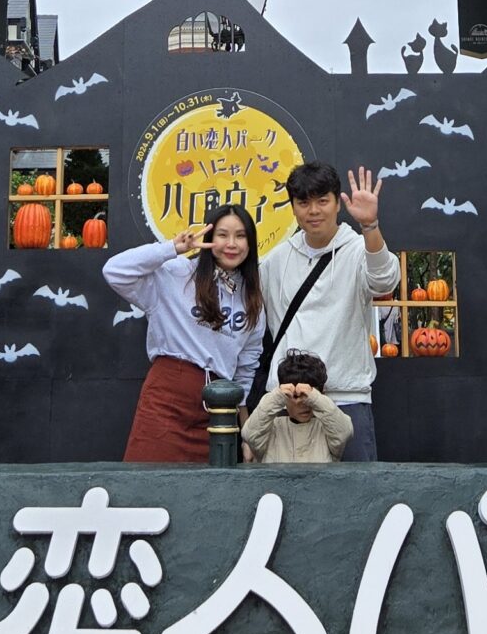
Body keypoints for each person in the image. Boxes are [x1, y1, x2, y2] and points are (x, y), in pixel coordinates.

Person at [258, 162, 399, 461]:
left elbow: (384, 279)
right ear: (293, 207)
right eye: (303, 202)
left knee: (357, 502)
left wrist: (370, 226)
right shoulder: (275, 261)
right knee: (286, 503)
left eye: (322, 200)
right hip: (288, 401)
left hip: (345, 400)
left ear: (338, 203)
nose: (313, 211)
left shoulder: (358, 249)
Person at [104, 203, 266, 463]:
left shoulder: (252, 298)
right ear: (209, 238)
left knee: (201, 496)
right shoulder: (177, 272)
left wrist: (246, 435)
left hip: (218, 410)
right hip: (167, 398)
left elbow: (245, 371)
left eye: (241, 235)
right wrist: (170, 249)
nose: (232, 244)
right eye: (223, 235)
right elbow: (114, 271)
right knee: (147, 486)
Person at [241, 351, 353, 464]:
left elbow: (344, 431)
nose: (303, 404)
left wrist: (315, 398)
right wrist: (277, 397)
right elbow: (250, 434)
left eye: (307, 397)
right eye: (296, 396)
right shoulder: (271, 428)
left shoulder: (326, 429)